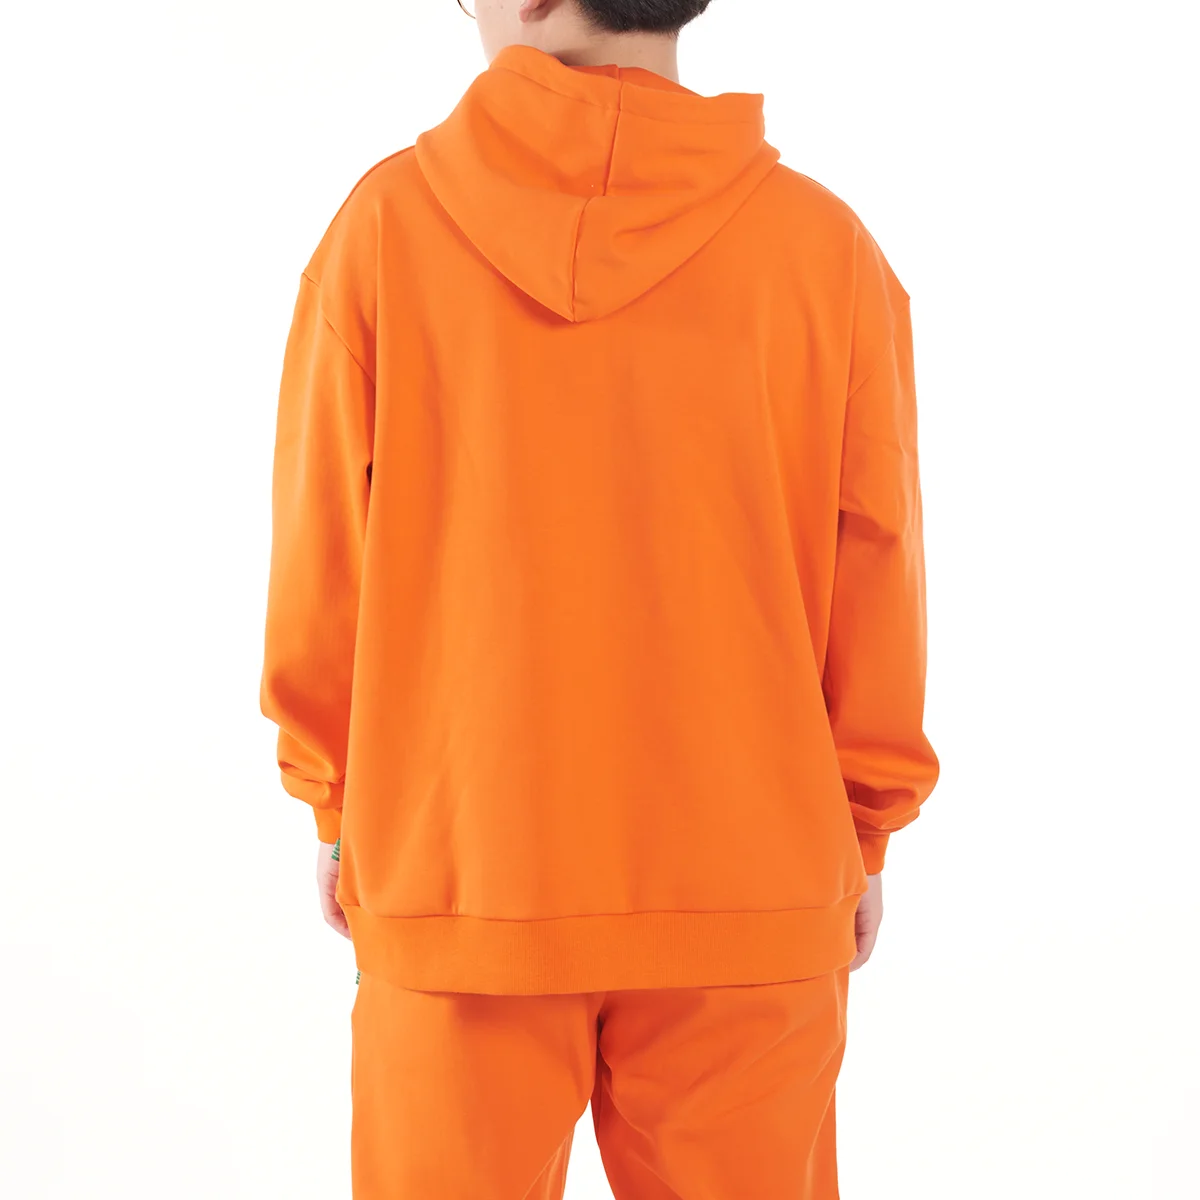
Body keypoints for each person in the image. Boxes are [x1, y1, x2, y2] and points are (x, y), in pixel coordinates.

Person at [260, 0, 939, 1194]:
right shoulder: (824, 250)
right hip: (754, 887)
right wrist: (863, 821)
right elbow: (876, 564)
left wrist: (336, 802)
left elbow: (323, 557)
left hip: (463, 878)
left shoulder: (385, 230)